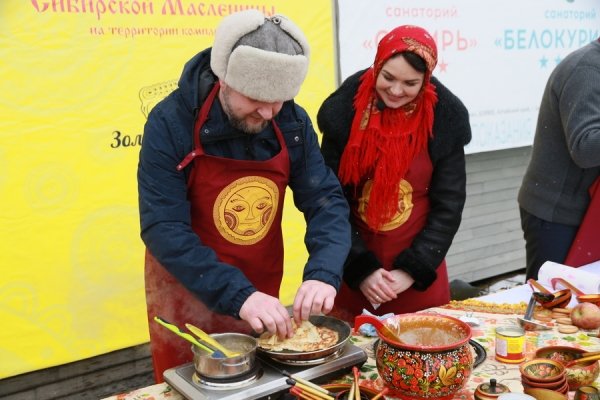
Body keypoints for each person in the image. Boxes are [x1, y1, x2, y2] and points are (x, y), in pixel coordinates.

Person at [137, 10, 351, 382]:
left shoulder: (292, 122)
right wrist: (237, 295)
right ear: (224, 79)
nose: (268, 112)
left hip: (258, 283)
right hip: (186, 289)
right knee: (189, 383)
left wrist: (324, 272)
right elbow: (163, 226)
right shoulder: (170, 122)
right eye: (255, 98)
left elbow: (326, 202)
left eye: (280, 100)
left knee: (258, 384)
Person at [316, 25, 472, 323]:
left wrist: (412, 269)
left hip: (416, 274)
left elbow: (448, 207)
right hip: (354, 268)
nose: (396, 90)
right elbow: (329, 200)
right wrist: (360, 269)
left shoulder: (445, 119)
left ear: (425, 80)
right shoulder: (344, 113)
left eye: (410, 83)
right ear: (377, 65)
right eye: (388, 78)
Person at [518, 37, 600, 280]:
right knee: (552, 302)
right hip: (557, 215)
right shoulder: (588, 70)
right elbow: (585, 148)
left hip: (588, 211)